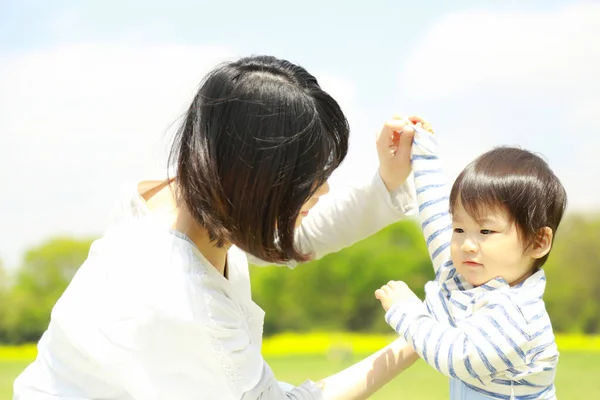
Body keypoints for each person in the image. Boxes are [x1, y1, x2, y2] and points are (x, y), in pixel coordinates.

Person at [13, 55, 421, 400]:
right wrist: (418, 339)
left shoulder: (186, 195)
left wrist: (387, 180)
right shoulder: (178, 297)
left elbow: (287, 237)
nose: (324, 187)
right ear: (257, 178)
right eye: (306, 175)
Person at [375, 116, 567, 399]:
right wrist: (423, 151)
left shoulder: (518, 314)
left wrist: (406, 313)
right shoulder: (465, 276)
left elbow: (460, 357)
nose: (466, 244)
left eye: (485, 230)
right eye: (460, 229)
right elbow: (436, 217)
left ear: (538, 242)